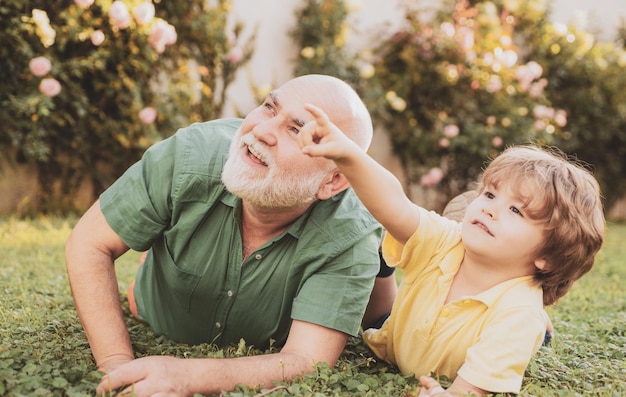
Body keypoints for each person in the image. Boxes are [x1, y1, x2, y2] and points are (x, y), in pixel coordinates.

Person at [65, 74, 383, 396]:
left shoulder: (351, 234)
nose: (261, 131)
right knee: (142, 288)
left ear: (333, 180)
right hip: (152, 305)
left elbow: (306, 360)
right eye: (270, 108)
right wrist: (116, 363)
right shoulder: (190, 155)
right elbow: (89, 243)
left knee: (381, 307)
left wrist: (185, 376)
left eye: (296, 130)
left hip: (350, 253)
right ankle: (155, 259)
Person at [297, 104, 605, 396]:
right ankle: (388, 258)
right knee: (380, 240)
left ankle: (545, 331)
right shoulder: (448, 240)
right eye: (489, 194)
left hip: (476, 330)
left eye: (515, 210)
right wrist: (348, 154)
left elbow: (471, 387)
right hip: (398, 331)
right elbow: (395, 206)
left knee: (531, 328)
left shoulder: (518, 314)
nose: (490, 209)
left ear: (547, 257)